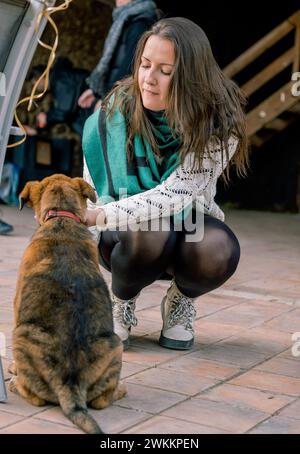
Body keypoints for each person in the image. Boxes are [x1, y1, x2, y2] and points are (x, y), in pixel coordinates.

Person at [83, 17, 249, 351]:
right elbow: (90, 190)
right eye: (145, 65)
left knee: (219, 248)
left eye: (165, 71)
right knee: (150, 227)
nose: (148, 79)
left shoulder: (217, 125)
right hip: (123, 239)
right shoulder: (114, 112)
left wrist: (96, 215)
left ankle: (181, 300)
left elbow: (174, 196)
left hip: (185, 221)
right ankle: (121, 300)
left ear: (190, 76)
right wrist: (85, 234)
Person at [78, 0, 159, 111]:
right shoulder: (128, 21)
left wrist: (109, 100)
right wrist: (96, 92)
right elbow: (115, 63)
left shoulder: (140, 24)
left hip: (121, 102)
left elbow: (130, 67)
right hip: (115, 96)